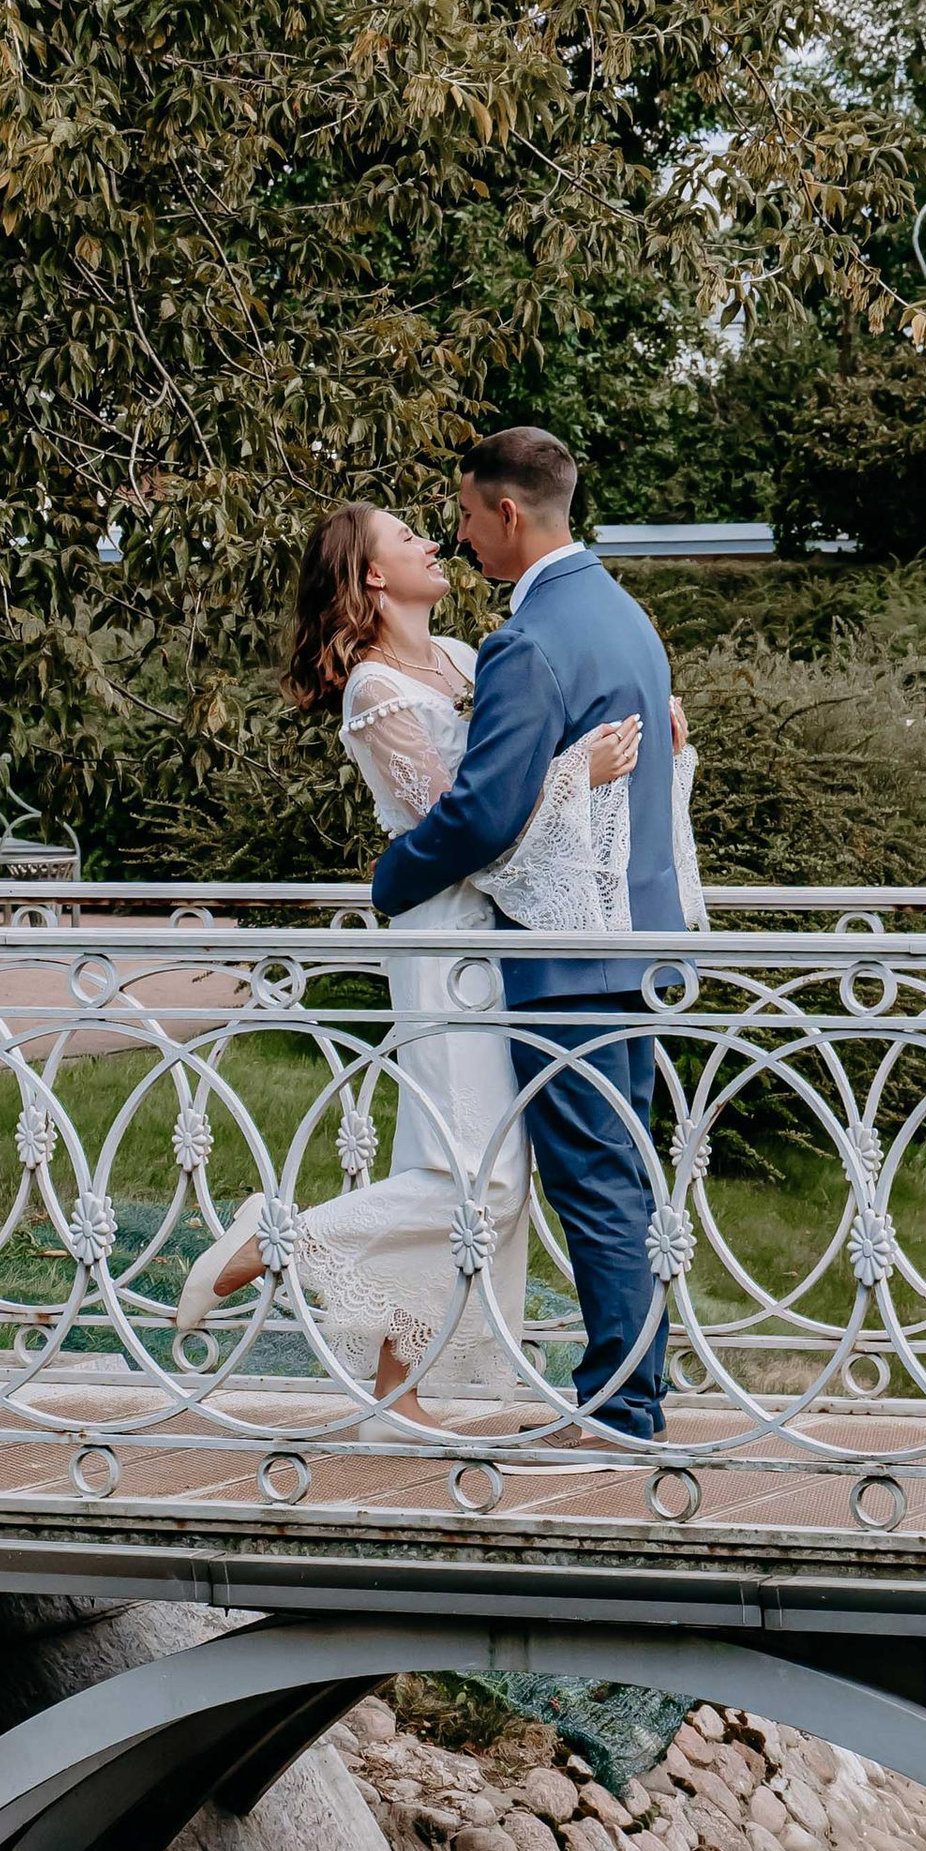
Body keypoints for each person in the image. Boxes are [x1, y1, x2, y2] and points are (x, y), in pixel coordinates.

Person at [172, 500, 666, 1420]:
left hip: (503, 926)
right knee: (483, 1178)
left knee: (459, 1158)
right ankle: (274, 1243)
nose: (433, 541)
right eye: (406, 538)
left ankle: (396, 1388)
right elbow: (464, 825)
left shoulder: (467, 659)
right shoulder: (373, 689)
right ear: (371, 574)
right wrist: (576, 774)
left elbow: (517, 769)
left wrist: (634, 731)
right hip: (445, 935)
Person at [372, 424, 698, 1447]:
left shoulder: (529, 641)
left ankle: (619, 1412)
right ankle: (633, 1397)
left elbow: (483, 813)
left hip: (565, 957)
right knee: (620, 1175)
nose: (460, 536)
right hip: (633, 940)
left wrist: (390, 880)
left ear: (507, 512)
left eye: (468, 516)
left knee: (594, 1182)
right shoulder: (623, 616)